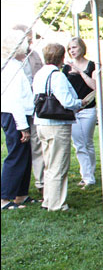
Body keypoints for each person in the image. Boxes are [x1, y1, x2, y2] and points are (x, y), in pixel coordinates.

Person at [32, 43, 83, 211]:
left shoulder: (39, 73)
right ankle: (57, 203)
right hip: (56, 124)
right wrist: (79, 103)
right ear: (61, 57)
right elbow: (66, 101)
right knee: (59, 164)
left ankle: (48, 199)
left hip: (41, 123)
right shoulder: (57, 76)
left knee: (49, 163)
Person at [1, 29, 37, 210]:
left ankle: (21, 194)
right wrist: (22, 126)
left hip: (18, 114)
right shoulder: (11, 67)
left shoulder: (15, 64)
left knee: (24, 155)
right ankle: (4, 197)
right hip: (14, 115)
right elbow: (14, 98)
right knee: (16, 154)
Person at [13, 24, 44, 197]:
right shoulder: (11, 59)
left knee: (37, 145)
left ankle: (40, 182)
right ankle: (17, 188)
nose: (30, 40)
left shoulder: (35, 54)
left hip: (37, 106)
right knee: (21, 148)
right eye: (27, 37)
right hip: (20, 109)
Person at [63, 37, 97, 189]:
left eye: (75, 47)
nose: (72, 50)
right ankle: (87, 176)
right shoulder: (66, 68)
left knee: (87, 142)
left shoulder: (91, 65)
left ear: (82, 48)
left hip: (88, 109)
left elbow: (95, 86)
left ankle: (90, 174)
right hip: (73, 110)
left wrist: (81, 73)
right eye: (70, 48)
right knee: (79, 144)